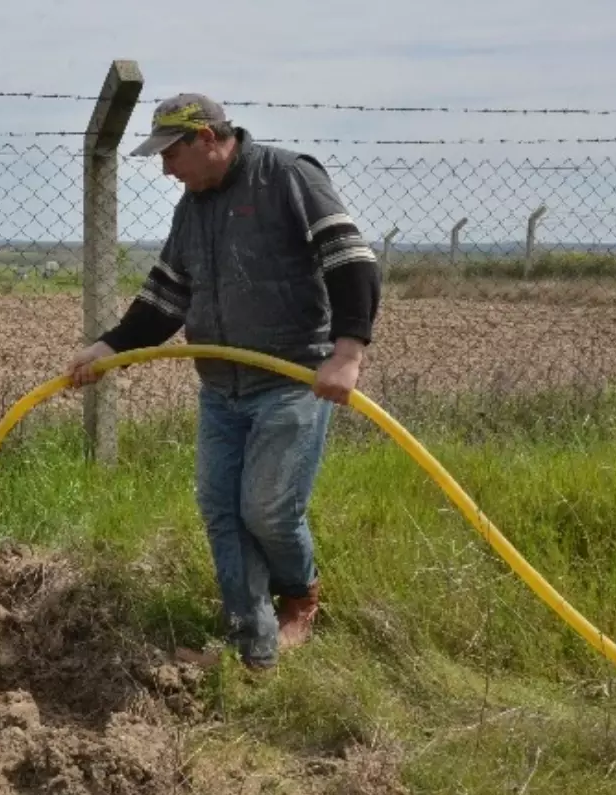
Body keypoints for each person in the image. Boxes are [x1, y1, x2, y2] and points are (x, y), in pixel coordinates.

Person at [65, 93, 381, 670]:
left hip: (291, 380)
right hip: (221, 388)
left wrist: (348, 353)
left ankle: (301, 596)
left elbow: (350, 258)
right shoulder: (194, 206)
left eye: (171, 154)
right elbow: (167, 296)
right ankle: (251, 646)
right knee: (220, 508)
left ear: (208, 139)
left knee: (267, 509)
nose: (164, 169)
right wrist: (110, 346)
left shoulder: (287, 177)